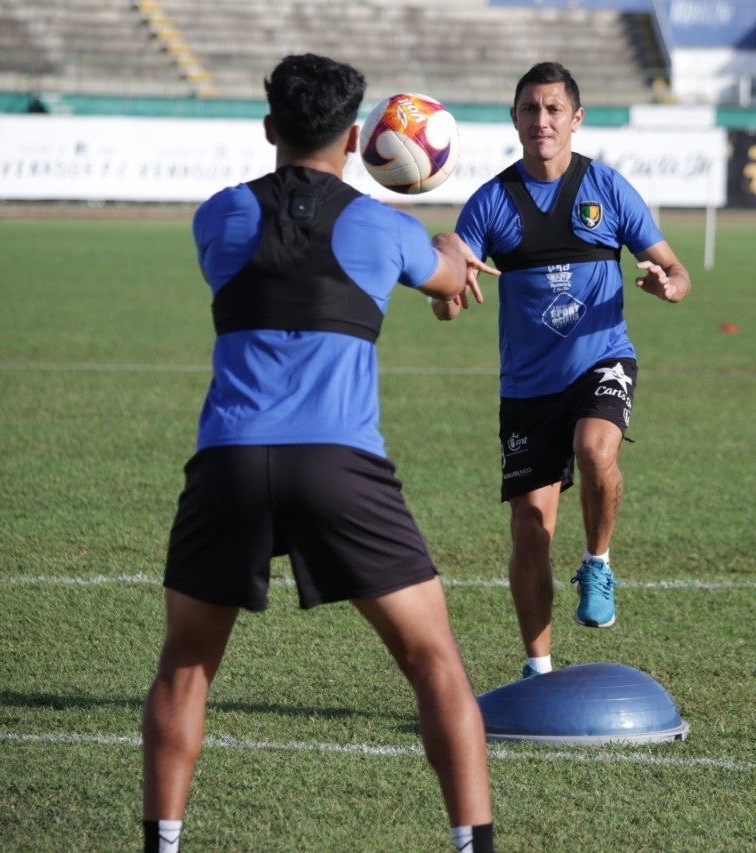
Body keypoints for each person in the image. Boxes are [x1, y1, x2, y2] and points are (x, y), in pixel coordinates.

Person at [141, 54, 496, 853]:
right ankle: (475, 844)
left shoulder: (217, 219)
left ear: (269, 129)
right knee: (434, 658)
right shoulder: (385, 230)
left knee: (185, 662)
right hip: (339, 467)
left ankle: (160, 843)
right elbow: (446, 277)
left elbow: (281, 246)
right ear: (354, 135)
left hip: (229, 461)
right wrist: (446, 246)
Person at [435, 61, 691, 681]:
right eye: (529, 109)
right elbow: (446, 296)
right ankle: (538, 668)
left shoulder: (608, 188)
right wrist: (446, 283)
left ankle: (598, 562)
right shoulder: (491, 202)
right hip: (527, 386)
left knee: (595, 449)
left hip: (603, 357)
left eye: (553, 110)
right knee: (530, 526)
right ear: (515, 118)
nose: (541, 120)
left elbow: (679, 275)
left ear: (576, 119)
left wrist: (666, 285)